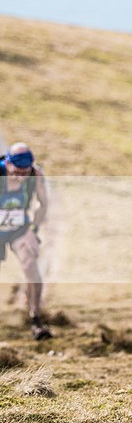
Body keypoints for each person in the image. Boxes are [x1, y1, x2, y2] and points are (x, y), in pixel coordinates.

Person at [0, 143, 50, 340]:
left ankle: (36, 320)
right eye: (17, 172)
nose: (22, 176)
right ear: (8, 164)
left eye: (25, 172)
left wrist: (33, 230)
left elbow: (42, 204)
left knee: (31, 265)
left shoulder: (35, 175)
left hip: (18, 228)